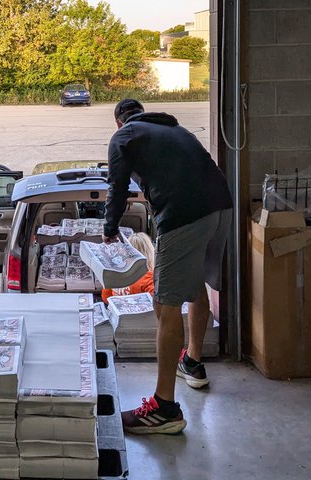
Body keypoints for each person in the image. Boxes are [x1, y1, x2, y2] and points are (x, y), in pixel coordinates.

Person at [102, 99, 233, 435]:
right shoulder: (174, 129)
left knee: (166, 301)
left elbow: (116, 187)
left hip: (183, 216)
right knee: (197, 283)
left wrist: (109, 230)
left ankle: (164, 408)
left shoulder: (124, 138)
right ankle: (192, 360)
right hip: (221, 207)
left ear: (119, 122)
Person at [101, 232, 155, 303]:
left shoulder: (115, 274)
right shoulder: (149, 277)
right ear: (150, 252)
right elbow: (155, 301)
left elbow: (106, 297)